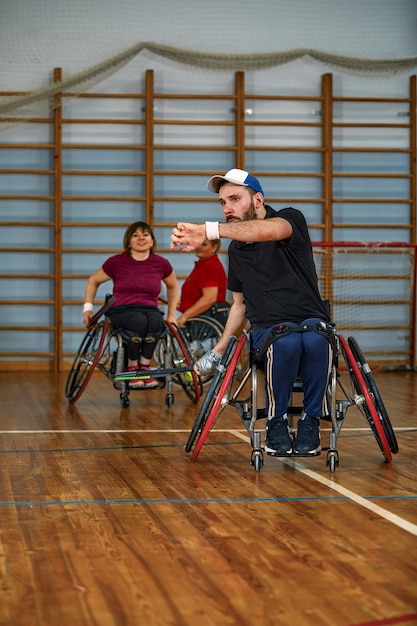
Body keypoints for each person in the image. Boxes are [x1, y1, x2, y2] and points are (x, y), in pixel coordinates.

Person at [170, 168, 332, 456]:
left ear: (258, 200)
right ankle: (276, 421)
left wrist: (207, 230)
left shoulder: (290, 218)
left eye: (234, 199)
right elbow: (239, 305)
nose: (227, 208)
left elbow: (266, 231)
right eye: (222, 202)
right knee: (287, 341)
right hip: (269, 328)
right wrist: (218, 350)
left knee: (315, 338)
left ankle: (311, 421)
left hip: (311, 319)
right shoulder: (237, 250)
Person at [83, 221, 178, 388]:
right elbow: (93, 281)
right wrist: (87, 309)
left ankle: (145, 368)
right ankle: (133, 368)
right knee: (138, 321)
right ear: (128, 242)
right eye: (135, 235)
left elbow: (173, 286)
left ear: (152, 241)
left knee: (156, 321)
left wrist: (172, 316)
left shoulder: (161, 263)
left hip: (149, 309)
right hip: (122, 309)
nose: (141, 238)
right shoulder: (116, 262)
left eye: (145, 235)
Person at [176, 238, 227, 328]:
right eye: (197, 243)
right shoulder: (203, 264)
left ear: (214, 247)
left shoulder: (210, 266)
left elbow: (209, 298)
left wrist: (184, 317)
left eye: (203, 244)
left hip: (203, 319)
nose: (199, 247)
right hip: (199, 317)